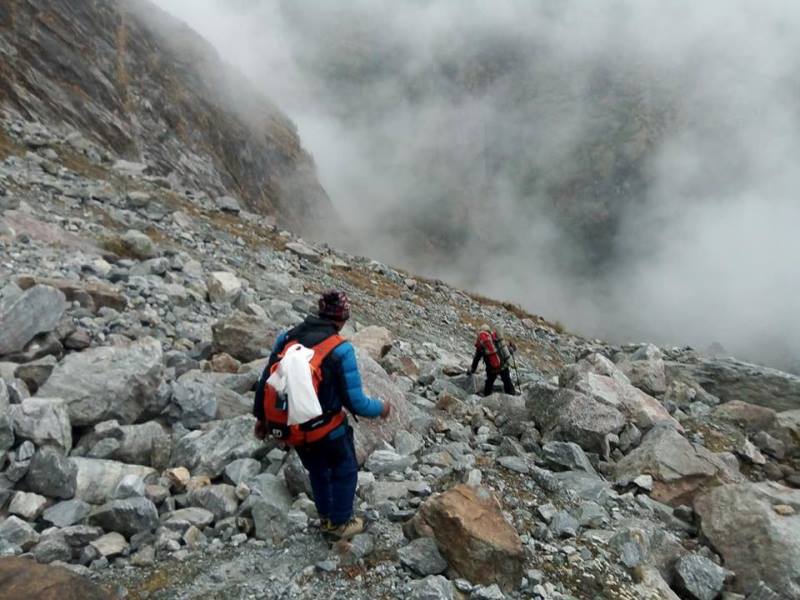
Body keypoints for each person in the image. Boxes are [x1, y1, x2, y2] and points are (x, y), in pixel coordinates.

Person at [253, 289, 391, 540]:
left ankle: (326, 517)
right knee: (345, 470)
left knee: (318, 472)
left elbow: (266, 381)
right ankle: (340, 523)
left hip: (293, 428)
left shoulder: (287, 337)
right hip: (327, 430)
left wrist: (261, 419)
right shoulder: (340, 350)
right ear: (343, 319)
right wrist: (381, 408)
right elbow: (356, 403)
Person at [469, 323, 517, 396]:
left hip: (492, 369)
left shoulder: (482, 344)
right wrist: (512, 348)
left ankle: (487, 396)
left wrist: (472, 369)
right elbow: (508, 350)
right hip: (503, 366)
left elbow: (476, 359)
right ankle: (511, 395)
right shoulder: (497, 339)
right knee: (507, 381)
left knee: (489, 382)